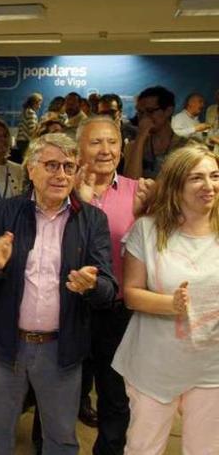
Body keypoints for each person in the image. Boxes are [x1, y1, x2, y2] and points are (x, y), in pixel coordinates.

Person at [0, 133, 118, 454]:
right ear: (31, 170)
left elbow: (108, 289)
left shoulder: (92, 220)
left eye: (68, 166)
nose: (61, 174)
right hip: (7, 346)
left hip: (61, 351)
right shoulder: (5, 213)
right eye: (51, 165)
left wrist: (92, 285)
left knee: (61, 439)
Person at [113, 144, 219, 454]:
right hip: (154, 364)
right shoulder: (147, 230)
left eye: (215, 175)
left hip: (211, 367)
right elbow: (130, 294)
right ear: (175, 184)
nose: (209, 185)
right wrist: (170, 304)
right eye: (197, 178)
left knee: (207, 449)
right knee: (143, 447)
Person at [75, 116, 149, 455]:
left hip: (116, 312)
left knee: (114, 394)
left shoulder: (140, 193)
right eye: (96, 142)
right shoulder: (62, 190)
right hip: (69, 306)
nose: (106, 150)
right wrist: (79, 201)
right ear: (79, 149)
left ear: (122, 150)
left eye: (112, 143)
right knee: (61, 387)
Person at [124, 86, 190, 180]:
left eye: (150, 111)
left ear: (168, 111)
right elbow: (130, 182)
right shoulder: (132, 147)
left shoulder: (187, 147)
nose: (144, 117)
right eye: (140, 112)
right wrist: (141, 136)